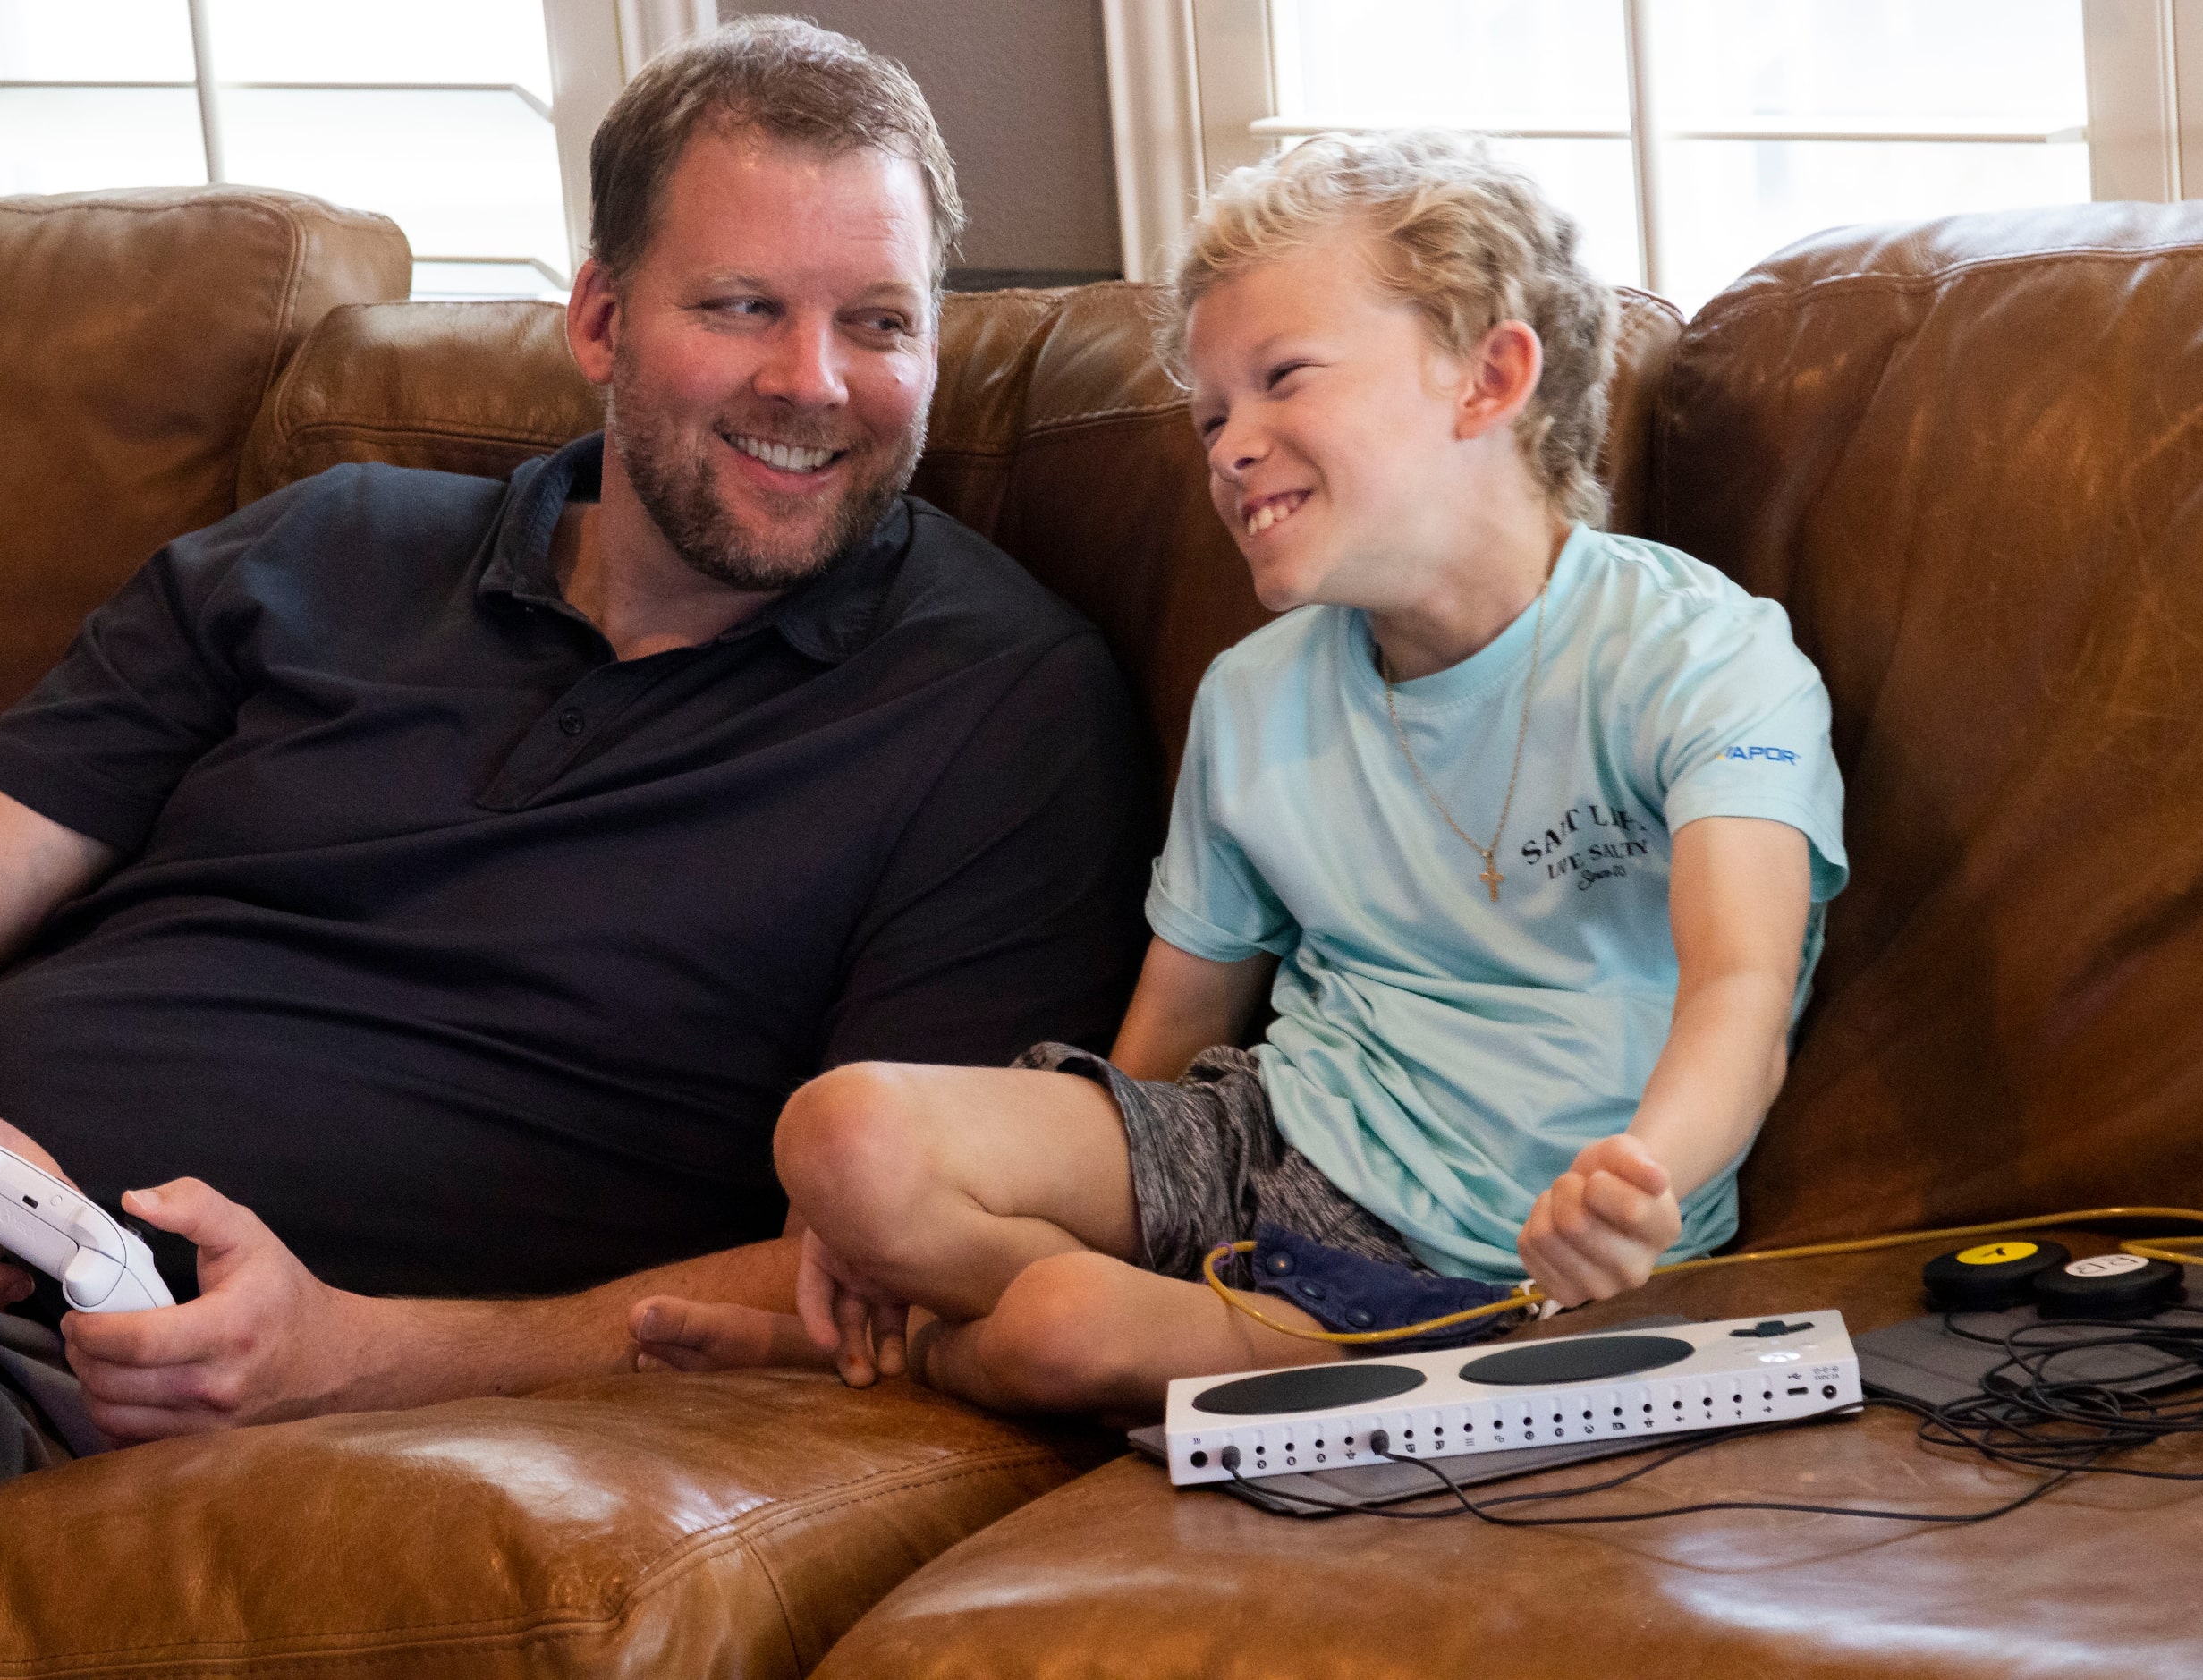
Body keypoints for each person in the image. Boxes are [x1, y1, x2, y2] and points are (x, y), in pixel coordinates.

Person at [0, 19, 1153, 1600]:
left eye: (878, 320)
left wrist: (359, 1355)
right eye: (740, 306)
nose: (813, 382)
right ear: (597, 318)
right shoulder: (325, 544)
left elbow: (909, 1262)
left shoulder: (999, 709)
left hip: (21, 1364)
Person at [632, 131, 1847, 1413]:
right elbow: (1168, 1041)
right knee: (842, 1132)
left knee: (1062, 1322)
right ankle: (1116, 1319)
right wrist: (897, 1210)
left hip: (1503, 1257)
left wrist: (1641, 1174)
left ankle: (953, 1352)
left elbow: (1739, 988)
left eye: (1282, 381)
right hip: (1272, 1137)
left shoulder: (1700, 656)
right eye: (1212, 413)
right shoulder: (1254, 696)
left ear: (1486, 378)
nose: (1227, 446)